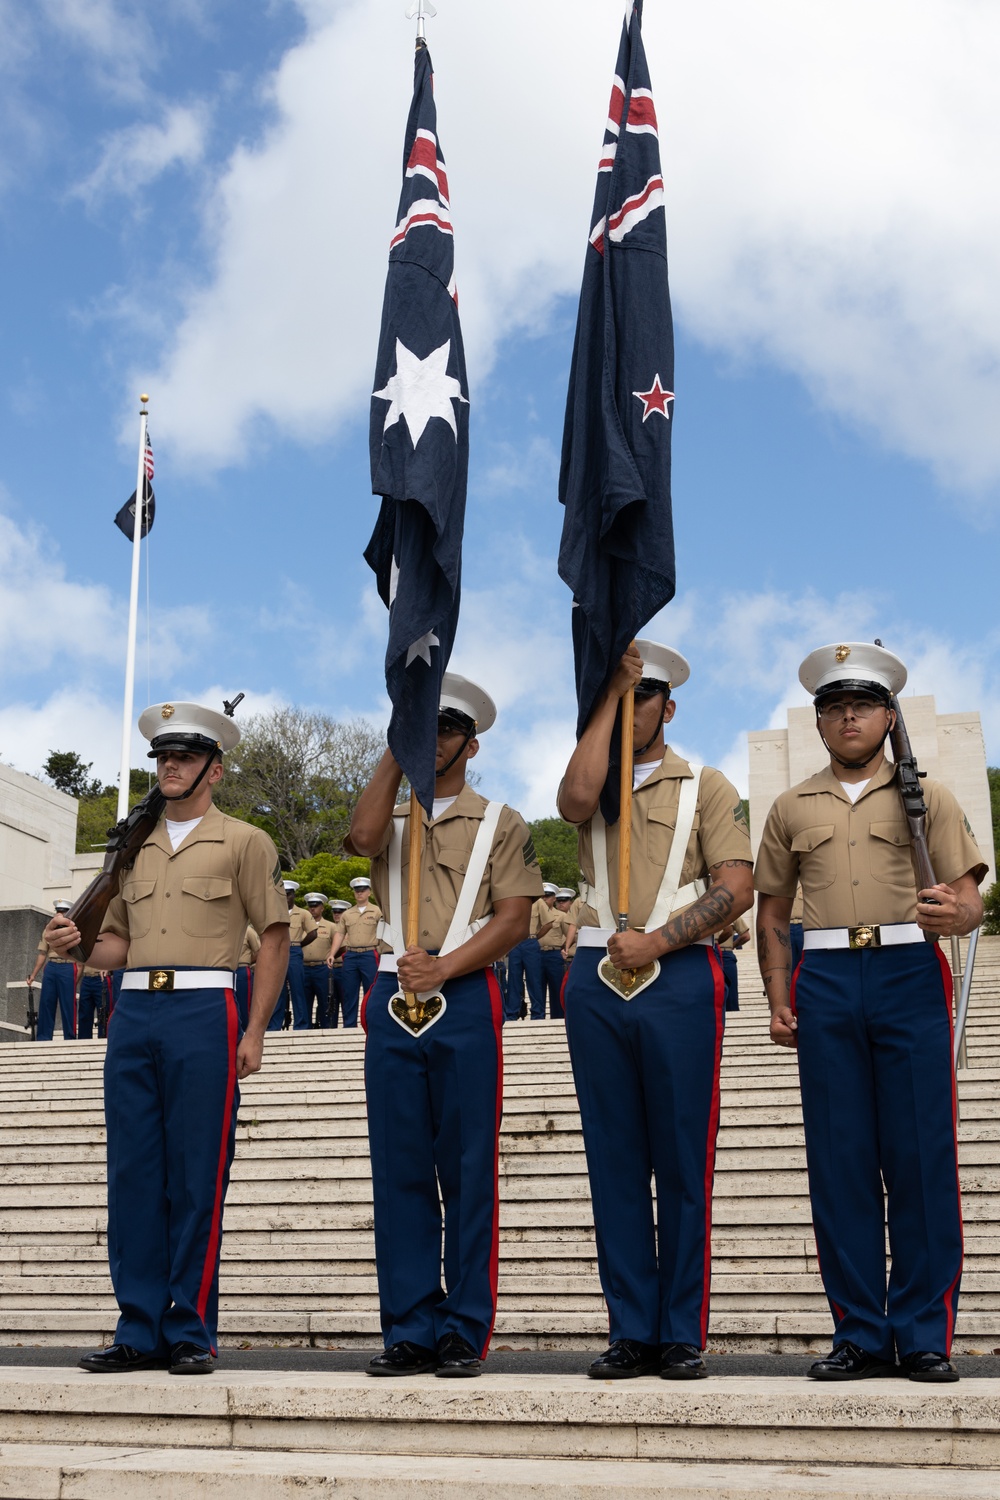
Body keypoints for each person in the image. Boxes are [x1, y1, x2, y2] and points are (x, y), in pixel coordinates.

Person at [755, 642, 986, 1385]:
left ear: (888, 717)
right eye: (834, 707)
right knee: (841, 1161)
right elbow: (772, 910)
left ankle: (921, 1333)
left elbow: (972, 896)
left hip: (907, 969)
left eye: (862, 705)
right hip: (823, 975)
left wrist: (959, 912)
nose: (848, 717)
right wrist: (777, 993)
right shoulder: (792, 806)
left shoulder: (931, 798)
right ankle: (858, 1330)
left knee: (921, 1157)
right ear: (820, 722)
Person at [40, 700, 290, 1376]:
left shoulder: (243, 841)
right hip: (133, 1015)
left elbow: (272, 938)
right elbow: (115, 947)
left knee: (197, 1175)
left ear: (215, 768)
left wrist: (258, 1029)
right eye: (162, 756)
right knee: (133, 1175)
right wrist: (74, 946)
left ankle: (188, 1325)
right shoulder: (133, 847)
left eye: (183, 756)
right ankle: (138, 1325)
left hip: (206, 1013)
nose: (170, 765)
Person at [558, 641, 754, 1380]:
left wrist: (660, 943)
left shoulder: (705, 784)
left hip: (675, 978)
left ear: (668, 708)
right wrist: (609, 696)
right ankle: (630, 1328)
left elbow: (736, 886)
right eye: (624, 696)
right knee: (613, 1161)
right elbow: (572, 802)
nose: (635, 709)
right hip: (596, 978)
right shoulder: (595, 775)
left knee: (679, 1158)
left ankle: (679, 1330)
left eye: (645, 698)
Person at [348, 673, 542, 1378]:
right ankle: (408, 1325)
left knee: (466, 1169)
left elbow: (516, 918)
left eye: (446, 731)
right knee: (399, 1168)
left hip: (462, 999)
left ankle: (463, 1325)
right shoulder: (392, 819)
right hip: (396, 1003)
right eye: (425, 731)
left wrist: (447, 966)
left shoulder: (500, 821)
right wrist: (396, 753)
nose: (436, 743)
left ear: (472, 741)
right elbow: (358, 836)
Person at [329, 877, 381, 1027]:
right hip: (351, 955)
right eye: (357, 891)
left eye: (363, 890)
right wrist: (332, 954)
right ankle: (349, 1025)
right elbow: (339, 934)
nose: (359, 893)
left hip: (369, 953)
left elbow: (384, 933)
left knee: (371, 991)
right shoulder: (347, 914)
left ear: (369, 892)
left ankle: (371, 1023)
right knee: (349, 992)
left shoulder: (377, 911)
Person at [268, 882, 317, 1032]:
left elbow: (313, 933)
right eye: (282, 894)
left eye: (288, 894)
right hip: (277, 952)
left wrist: (298, 945)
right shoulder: (274, 912)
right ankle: (274, 1026)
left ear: (293, 895)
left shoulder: (303, 913)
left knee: (298, 990)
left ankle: (301, 1025)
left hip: (294, 952)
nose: (285, 897)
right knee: (277, 991)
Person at [27, 901, 77, 1041]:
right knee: (46, 1002)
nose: (59, 914)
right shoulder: (48, 929)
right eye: (58, 911)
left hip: (68, 966)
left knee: (68, 1004)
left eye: (63, 911)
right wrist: (33, 975)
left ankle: (70, 1038)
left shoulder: (74, 929)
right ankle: (43, 1037)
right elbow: (42, 953)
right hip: (52, 966)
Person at [505, 885, 553, 1021]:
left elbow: (548, 922)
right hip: (514, 943)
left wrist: (536, 937)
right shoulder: (511, 900)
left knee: (534, 979)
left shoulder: (538, 902)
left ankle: (537, 1014)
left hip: (530, 942)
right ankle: (512, 1013)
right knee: (513, 979)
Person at [537, 884, 569, 1019]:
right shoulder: (534, 914)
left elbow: (570, 935)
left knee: (556, 987)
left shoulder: (561, 916)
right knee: (537, 987)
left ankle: (558, 1017)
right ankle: (537, 1016)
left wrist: (562, 948)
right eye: (542, 896)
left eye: (548, 896)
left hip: (553, 954)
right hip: (536, 953)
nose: (544, 899)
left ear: (554, 898)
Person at [325, 900, 351, 1026]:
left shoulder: (349, 929)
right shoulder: (328, 927)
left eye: (340, 912)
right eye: (335, 912)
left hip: (343, 968)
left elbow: (346, 948)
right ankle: (331, 1026)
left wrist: (332, 955)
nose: (337, 914)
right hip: (330, 969)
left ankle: (348, 1025)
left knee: (346, 999)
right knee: (331, 1001)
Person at [234, 925, 260, 1032]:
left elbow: (259, 951)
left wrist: (248, 960)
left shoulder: (248, 931)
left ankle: (246, 1031)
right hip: (227, 971)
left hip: (242, 970)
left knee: (244, 1004)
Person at [77, 964, 110, 1040]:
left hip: (101, 977)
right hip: (86, 977)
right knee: (84, 1013)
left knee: (103, 1014)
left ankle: (103, 1040)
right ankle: (84, 1042)